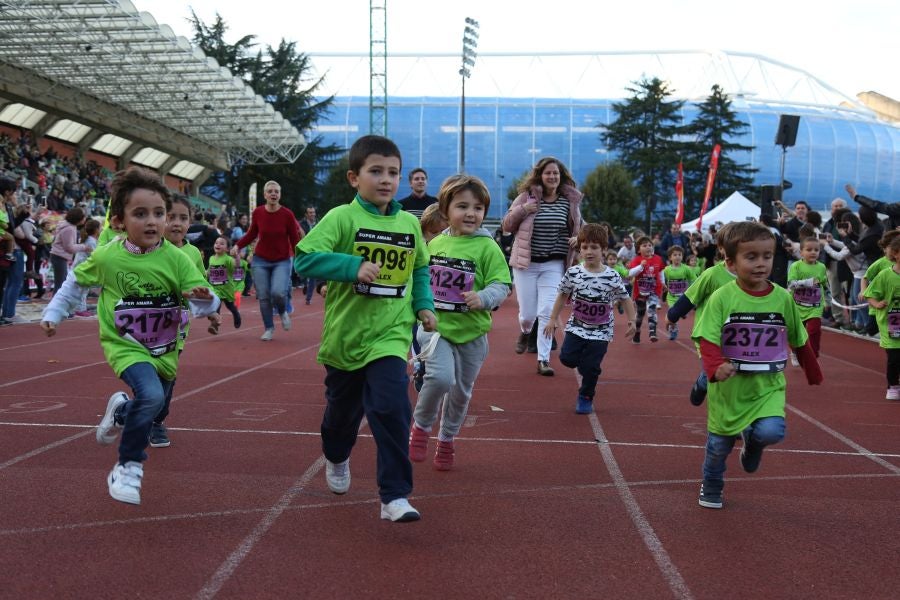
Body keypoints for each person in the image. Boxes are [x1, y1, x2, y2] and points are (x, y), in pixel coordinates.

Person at [39, 167, 220, 504]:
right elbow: (75, 282)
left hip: (166, 348)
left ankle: (120, 411)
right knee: (151, 397)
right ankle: (128, 466)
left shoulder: (178, 259)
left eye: (158, 213)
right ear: (119, 221)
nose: (152, 221)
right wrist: (53, 312)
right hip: (126, 345)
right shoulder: (108, 257)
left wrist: (208, 303)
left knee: (155, 404)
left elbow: (202, 296)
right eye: (140, 214)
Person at [293, 135, 437, 523]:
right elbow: (304, 260)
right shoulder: (341, 218)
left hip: (390, 334)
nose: (386, 179)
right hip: (345, 338)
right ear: (355, 178)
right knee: (340, 419)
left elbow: (419, 267)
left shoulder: (409, 222)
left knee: (392, 406)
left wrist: (423, 305)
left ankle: (394, 495)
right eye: (376, 171)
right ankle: (337, 456)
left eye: (393, 172)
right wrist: (350, 266)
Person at [693, 221, 822, 509]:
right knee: (718, 448)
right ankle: (712, 485)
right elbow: (708, 337)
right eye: (751, 257)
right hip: (730, 387)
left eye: (767, 256)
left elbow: (798, 338)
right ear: (731, 262)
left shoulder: (782, 298)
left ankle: (753, 444)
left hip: (767, 386)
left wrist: (812, 370)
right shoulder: (722, 297)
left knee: (771, 431)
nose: (761, 263)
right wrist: (714, 367)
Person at [409, 174, 511, 470]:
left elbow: (501, 284)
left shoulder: (487, 247)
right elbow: (420, 279)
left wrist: (483, 297)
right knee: (440, 379)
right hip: (437, 329)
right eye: (462, 206)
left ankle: (447, 438)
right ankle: (421, 426)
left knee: (461, 391)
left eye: (478, 208)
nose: (471, 213)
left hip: (473, 334)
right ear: (445, 209)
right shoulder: (435, 244)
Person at [501, 156, 583, 376]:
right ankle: (525, 331)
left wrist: (578, 239)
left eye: (556, 173)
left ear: (561, 175)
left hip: (554, 264)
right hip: (526, 264)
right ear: (540, 175)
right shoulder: (525, 198)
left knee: (547, 311)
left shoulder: (570, 201)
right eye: (548, 173)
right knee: (528, 314)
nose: (552, 176)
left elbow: (579, 228)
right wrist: (525, 209)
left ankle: (543, 359)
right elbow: (506, 225)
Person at [544, 223, 636, 414]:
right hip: (576, 327)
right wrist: (552, 319)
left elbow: (626, 299)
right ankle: (584, 363)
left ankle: (586, 396)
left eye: (594, 247)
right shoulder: (574, 273)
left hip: (601, 331)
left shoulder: (612, 276)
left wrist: (632, 320)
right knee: (567, 359)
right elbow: (562, 295)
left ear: (604, 249)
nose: (589, 252)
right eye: (584, 247)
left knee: (591, 368)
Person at [666, 224, 737, 407]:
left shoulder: (752, 276)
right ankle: (703, 383)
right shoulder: (712, 274)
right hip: (710, 334)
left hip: (737, 336)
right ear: (721, 248)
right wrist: (672, 316)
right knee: (715, 375)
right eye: (733, 245)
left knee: (734, 380)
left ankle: (734, 420)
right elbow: (689, 297)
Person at [231, 180, 301, 341]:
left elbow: (294, 238)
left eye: (276, 191)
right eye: (270, 191)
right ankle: (269, 328)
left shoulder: (287, 214)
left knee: (278, 292)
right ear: (265, 195)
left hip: (282, 260)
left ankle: (283, 311)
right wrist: (238, 246)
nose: (273, 194)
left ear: (280, 195)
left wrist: (300, 258)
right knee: (263, 296)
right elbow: (251, 234)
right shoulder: (258, 213)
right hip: (261, 259)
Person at [863, 234, 900, 399]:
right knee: (894, 357)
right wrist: (876, 304)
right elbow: (869, 293)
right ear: (896, 254)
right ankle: (892, 385)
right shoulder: (885, 274)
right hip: (891, 322)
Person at [786, 237, 829, 357]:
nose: (813, 252)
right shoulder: (796, 266)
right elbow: (791, 284)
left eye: (816, 250)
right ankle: (794, 350)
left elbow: (825, 285)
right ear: (801, 252)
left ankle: (813, 355)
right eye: (809, 249)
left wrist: (827, 301)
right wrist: (808, 282)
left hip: (815, 306)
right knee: (796, 333)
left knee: (814, 330)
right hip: (797, 306)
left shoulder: (822, 267)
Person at [627, 235, 665, 343]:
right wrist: (641, 266)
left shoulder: (658, 259)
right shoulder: (637, 260)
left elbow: (661, 271)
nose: (648, 247)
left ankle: (652, 331)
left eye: (650, 245)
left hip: (654, 291)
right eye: (644, 245)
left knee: (652, 309)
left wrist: (662, 282)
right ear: (639, 249)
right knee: (640, 313)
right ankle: (637, 332)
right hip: (640, 292)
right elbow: (630, 273)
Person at [49, 206, 90, 297]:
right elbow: (69, 247)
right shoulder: (69, 228)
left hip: (59, 256)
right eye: (83, 217)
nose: (85, 219)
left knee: (60, 282)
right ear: (78, 218)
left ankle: (57, 306)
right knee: (60, 284)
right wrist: (84, 247)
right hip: (59, 256)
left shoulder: (69, 226)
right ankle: (56, 307)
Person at [206, 236, 242, 334]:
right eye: (216, 242)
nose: (218, 245)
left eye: (222, 243)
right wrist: (204, 274)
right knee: (215, 307)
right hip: (215, 289)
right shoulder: (211, 258)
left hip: (227, 289)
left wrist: (236, 257)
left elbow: (236, 265)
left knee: (230, 306)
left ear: (227, 249)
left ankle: (236, 314)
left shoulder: (228, 259)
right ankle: (214, 326)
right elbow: (209, 271)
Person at [661, 245, 695, 341]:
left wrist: (692, 288)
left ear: (682, 256)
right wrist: (663, 286)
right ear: (670, 257)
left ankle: (682, 312)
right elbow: (661, 279)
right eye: (675, 255)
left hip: (683, 297)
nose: (677, 257)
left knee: (679, 312)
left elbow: (694, 280)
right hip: (671, 297)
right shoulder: (667, 269)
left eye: (679, 255)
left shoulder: (687, 269)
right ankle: (673, 330)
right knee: (673, 314)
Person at [72, 218, 100, 316]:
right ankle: (80, 309)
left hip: (81, 267)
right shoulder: (91, 241)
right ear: (96, 230)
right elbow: (95, 256)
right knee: (82, 289)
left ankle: (79, 307)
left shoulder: (89, 239)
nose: (102, 230)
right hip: (82, 268)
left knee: (83, 289)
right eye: (100, 228)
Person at [297, 206, 318, 305]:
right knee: (302, 273)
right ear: (306, 214)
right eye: (310, 213)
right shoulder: (301, 225)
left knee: (313, 274)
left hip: (314, 252)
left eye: (313, 212)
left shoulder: (319, 224)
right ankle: (305, 283)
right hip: (304, 251)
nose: (312, 214)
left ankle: (308, 298)